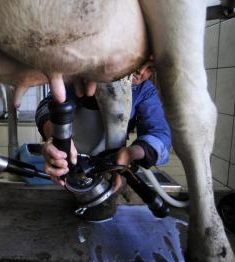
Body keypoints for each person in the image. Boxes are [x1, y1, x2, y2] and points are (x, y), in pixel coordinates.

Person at [35, 61, 172, 192]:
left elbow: (160, 134)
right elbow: (47, 108)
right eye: (140, 61)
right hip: (67, 161)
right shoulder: (80, 77)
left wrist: (130, 154)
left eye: (150, 68)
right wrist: (56, 140)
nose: (140, 71)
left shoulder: (144, 92)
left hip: (109, 167)